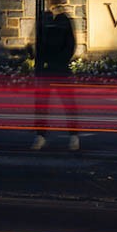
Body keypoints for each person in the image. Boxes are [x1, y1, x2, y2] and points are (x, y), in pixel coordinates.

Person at [31, 10, 80, 151]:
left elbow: (70, 45)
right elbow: (39, 45)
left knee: (68, 103)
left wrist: (58, 62)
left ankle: (73, 136)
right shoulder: (44, 19)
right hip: (47, 71)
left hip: (59, 70)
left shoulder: (63, 20)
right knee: (42, 104)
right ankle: (41, 135)